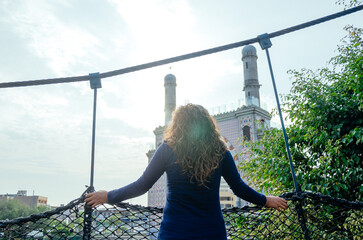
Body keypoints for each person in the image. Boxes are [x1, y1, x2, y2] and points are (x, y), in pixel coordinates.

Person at [85, 103, 288, 240]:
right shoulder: (220, 152)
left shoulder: (167, 149)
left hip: (174, 232)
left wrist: (107, 196)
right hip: (212, 232)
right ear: (207, 125)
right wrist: (266, 200)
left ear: (179, 125)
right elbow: (239, 188)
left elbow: (142, 185)